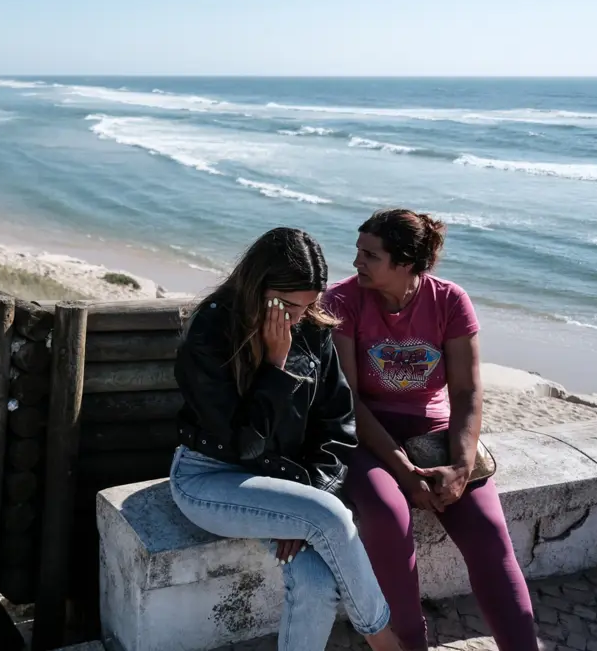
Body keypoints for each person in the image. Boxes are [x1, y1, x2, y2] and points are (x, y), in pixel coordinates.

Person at [171, 228, 403, 651]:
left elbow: (337, 426)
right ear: (258, 287)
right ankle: (383, 639)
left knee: (316, 580)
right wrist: (275, 368)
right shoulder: (210, 331)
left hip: (286, 482)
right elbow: (243, 444)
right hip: (209, 478)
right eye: (289, 306)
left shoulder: (312, 330)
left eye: (308, 305)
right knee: (332, 517)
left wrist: (300, 503)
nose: (298, 318)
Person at [324, 209, 537, 651]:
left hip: (433, 431)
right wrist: (404, 472)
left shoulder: (450, 301)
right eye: (358, 251)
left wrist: (460, 467)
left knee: (489, 535)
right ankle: (411, 643)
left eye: (370, 255)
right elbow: (349, 400)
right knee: (388, 514)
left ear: (405, 263)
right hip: (365, 435)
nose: (356, 261)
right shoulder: (342, 301)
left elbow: (466, 391)